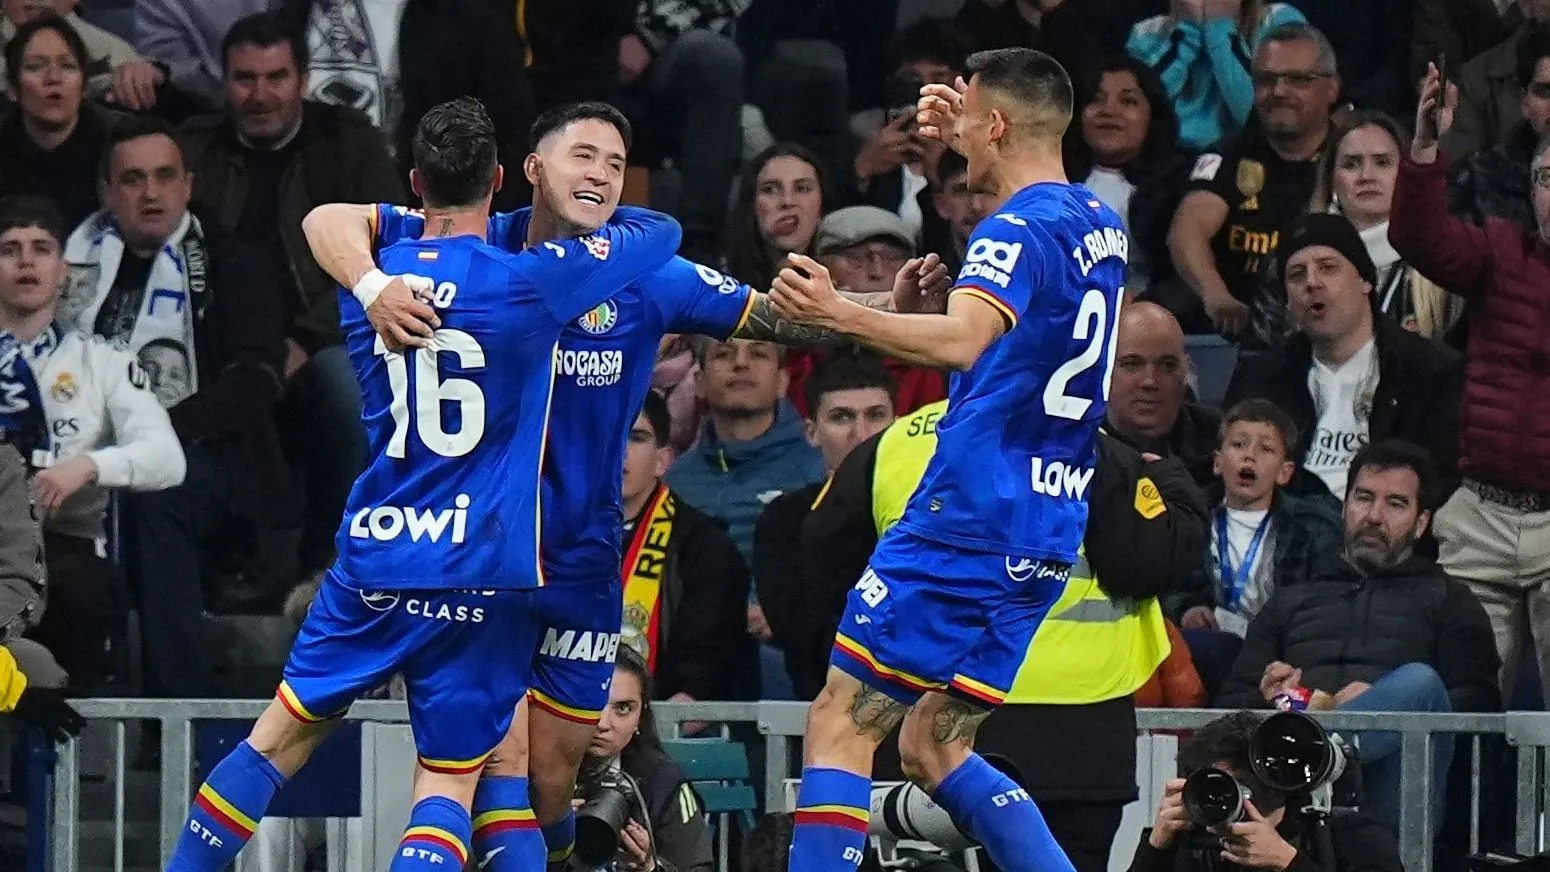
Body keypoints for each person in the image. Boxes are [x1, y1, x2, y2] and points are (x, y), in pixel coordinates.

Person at [301, 100, 948, 872]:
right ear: (532, 171)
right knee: (482, 765)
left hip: (582, 557)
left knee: (550, 785)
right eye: (584, 156)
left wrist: (881, 315)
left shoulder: (649, 274)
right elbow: (333, 223)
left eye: (615, 162)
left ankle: (577, 847)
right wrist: (372, 283)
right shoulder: (484, 248)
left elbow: (778, 317)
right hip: (486, 558)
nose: (601, 174)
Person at [162, 97, 683, 872]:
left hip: (378, 554)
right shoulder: (532, 283)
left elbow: (326, 223)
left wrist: (372, 283)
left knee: (275, 740)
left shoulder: (371, 276)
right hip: (481, 567)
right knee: (452, 778)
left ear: (413, 184)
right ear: (504, 178)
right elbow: (659, 235)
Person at [768, 47, 1128, 872]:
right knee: (933, 743)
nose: (955, 133)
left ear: (997, 126)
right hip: (1047, 523)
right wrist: (956, 139)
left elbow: (967, 337)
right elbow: (1011, 347)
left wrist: (836, 311)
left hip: (969, 515)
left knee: (841, 722)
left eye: (968, 123)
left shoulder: (1017, 227)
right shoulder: (1098, 222)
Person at [793, 396, 1210, 872]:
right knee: (924, 748)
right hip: (1077, 733)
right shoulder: (1088, 447)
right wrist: (1168, 478)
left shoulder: (893, 444)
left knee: (852, 726)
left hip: (927, 694)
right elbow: (1151, 560)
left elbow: (819, 562)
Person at [1215, 441, 1501, 832]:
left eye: (1395, 504)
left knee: (1419, 682)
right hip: (1290, 793)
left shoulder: (1449, 599)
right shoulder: (1291, 599)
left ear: (1421, 523)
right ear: (1344, 505)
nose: (1374, 516)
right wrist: (1266, 696)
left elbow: (1479, 709)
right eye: (1363, 498)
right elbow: (1228, 705)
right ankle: (1326, 751)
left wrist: (1386, 704)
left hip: (1391, 789)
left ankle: (1326, 752)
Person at [0, 195, 186, 690]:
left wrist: (87, 466)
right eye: (9, 249)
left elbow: (167, 458)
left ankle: (73, 761)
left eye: (40, 248)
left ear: (63, 271)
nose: (25, 260)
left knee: (84, 592)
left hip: (64, 546)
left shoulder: (101, 362)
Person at [1129, 711, 1402, 872]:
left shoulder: (1350, 836)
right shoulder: (1193, 846)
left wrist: (1287, 861)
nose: (1234, 799)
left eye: (1244, 784)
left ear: (1276, 785)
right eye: (1217, 785)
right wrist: (1156, 849)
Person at [574, 645, 713, 872]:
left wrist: (650, 866)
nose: (602, 723)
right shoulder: (533, 775)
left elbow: (697, 867)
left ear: (640, 716)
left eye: (623, 708)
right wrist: (548, 834)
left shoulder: (663, 781)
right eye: (592, 703)